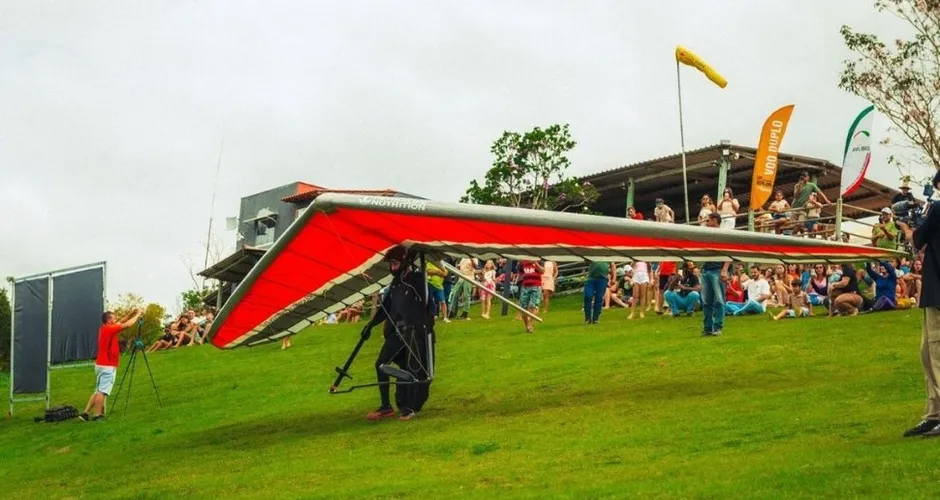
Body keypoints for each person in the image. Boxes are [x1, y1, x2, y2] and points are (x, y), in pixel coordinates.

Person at [360, 246, 436, 422]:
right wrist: (370, 325)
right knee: (381, 364)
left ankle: (410, 406)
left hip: (414, 332)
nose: (392, 267)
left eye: (395, 263)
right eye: (391, 264)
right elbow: (386, 308)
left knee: (414, 368)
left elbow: (429, 308)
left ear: (405, 262)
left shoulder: (417, 281)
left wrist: (425, 329)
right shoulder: (396, 284)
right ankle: (386, 407)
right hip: (398, 331)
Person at [899, 171, 940, 437]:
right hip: (933, 294)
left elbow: (916, 240)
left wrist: (906, 226)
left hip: (938, 295)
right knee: (928, 354)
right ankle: (934, 414)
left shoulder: (937, 209)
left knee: (936, 354)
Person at [79, 308, 143, 421]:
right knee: (102, 391)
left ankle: (85, 413)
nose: (116, 320)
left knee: (97, 390)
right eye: (114, 318)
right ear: (109, 320)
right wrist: (138, 314)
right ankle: (97, 415)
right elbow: (127, 325)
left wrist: (131, 313)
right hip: (107, 365)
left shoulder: (104, 328)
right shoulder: (110, 329)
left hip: (100, 364)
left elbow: (121, 322)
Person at [700, 212, 730, 336]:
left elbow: (729, 253)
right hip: (706, 270)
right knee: (706, 301)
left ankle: (717, 327)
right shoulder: (707, 236)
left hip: (717, 270)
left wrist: (724, 269)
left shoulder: (723, 235)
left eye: (709, 220)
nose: (706, 223)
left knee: (719, 300)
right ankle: (707, 327)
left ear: (715, 220)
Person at [584, 260, 615, 324]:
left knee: (599, 298)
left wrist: (614, 278)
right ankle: (587, 318)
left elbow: (613, 265)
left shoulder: (607, 256)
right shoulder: (592, 254)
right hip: (591, 278)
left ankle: (595, 319)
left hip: (602, 279)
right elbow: (586, 261)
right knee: (588, 296)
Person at [518, 260, 543, 333]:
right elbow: (520, 273)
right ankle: (527, 326)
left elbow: (543, 271)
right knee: (523, 308)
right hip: (525, 287)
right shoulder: (522, 262)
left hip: (536, 286)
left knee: (534, 306)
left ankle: (530, 324)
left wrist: (536, 263)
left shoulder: (539, 260)